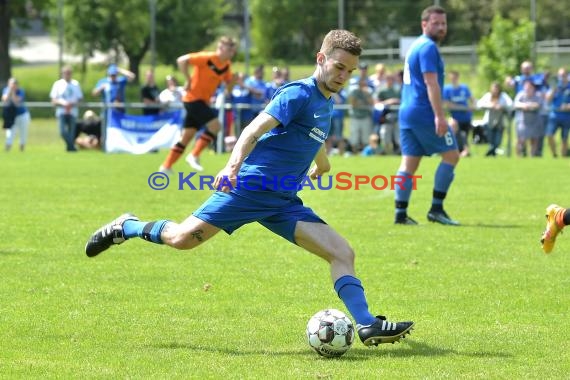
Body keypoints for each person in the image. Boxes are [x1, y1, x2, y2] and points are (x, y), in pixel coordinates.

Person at [85, 29, 414, 347]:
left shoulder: (326, 101)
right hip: (249, 189)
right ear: (321, 58)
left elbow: (314, 136)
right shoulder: (297, 93)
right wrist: (231, 167)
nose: (344, 75)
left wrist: (323, 165)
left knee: (342, 253)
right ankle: (126, 226)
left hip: (283, 201)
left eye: (350, 70)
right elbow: (253, 130)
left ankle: (367, 323)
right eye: (339, 66)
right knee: (181, 239)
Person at [394, 5, 460, 226]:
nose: (441, 27)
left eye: (444, 23)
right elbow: (431, 83)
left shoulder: (415, 46)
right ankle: (436, 209)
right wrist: (439, 116)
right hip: (424, 112)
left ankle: (400, 214)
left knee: (409, 163)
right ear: (424, 24)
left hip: (407, 112)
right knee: (452, 156)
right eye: (436, 23)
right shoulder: (428, 47)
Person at [159, 36, 237, 174]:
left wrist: (233, 82)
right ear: (220, 48)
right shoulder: (207, 57)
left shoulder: (226, 66)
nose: (232, 53)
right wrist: (188, 79)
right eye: (229, 49)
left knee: (187, 136)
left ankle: (166, 166)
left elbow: (227, 90)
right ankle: (194, 155)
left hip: (201, 101)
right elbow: (181, 60)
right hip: (193, 99)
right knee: (216, 126)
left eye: (233, 50)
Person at [50, 65, 84, 152]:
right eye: (65, 73)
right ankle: (72, 147)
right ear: (62, 74)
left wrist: (71, 104)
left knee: (72, 132)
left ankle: (70, 149)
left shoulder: (75, 84)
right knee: (62, 132)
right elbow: (53, 99)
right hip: (61, 111)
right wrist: (63, 103)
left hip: (73, 111)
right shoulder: (57, 84)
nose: (67, 75)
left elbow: (80, 98)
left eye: (69, 73)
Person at [443, 70, 475, 157]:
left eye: (455, 77)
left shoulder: (464, 88)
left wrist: (471, 107)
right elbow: (447, 103)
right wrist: (461, 107)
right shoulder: (447, 89)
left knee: (465, 136)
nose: (453, 79)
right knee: (456, 136)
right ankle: (456, 151)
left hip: (466, 117)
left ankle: (464, 151)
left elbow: (472, 99)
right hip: (455, 119)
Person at [476, 81, 513, 157]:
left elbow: (510, 104)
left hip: (500, 122)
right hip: (489, 121)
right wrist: (490, 105)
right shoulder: (488, 96)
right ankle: (492, 153)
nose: (495, 91)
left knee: (497, 141)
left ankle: (490, 153)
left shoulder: (503, 96)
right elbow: (479, 104)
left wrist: (501, 106)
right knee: (490, 139)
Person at [544, 67, 570, 157]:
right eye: (560, 75)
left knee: (564, 138)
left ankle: (563, 156)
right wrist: (553, 89)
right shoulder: (555, 86)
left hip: (567, 116)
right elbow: (547, 99)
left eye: (563, 75)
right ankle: (554, 154)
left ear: (567, 75)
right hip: (554, 115)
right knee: (549, 135)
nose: (561, 77)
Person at [514, 80, 543, 157]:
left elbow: (539, 104)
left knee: (534, 140)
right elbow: (516, 103)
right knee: (520, 139)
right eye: (526, 87)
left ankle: (532, 156)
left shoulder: (538, 95)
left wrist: (529, 105)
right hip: (523, 121)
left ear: (533, 88)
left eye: (529, 87)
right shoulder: (521, 95)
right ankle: (518, 156)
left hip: (534, 121)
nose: (528, 88)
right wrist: (523, 105)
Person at [2, 78, 31, 152]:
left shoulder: (20, 91)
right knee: (10, 133)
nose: (13, 86)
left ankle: (22, 151)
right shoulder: (6, 90)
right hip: (11, 116)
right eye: (11, 84)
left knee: (23, 133)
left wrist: (13, 93)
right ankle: (7, 150)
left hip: (22, 115)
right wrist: (10, 92)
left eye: (14, 84)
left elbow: (17, 103)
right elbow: (5, 100)